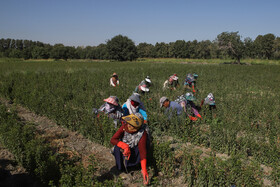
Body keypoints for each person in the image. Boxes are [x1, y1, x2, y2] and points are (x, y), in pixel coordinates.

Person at [110, 113, 149, 185]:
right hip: (125, 147)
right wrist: (124, 146)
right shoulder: (124, 127)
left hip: (135, 150)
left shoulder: (142, 133)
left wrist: (144, 170)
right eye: (129, 124)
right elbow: (113, 140)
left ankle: (133, 165)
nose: (130, 127)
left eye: (133, 126)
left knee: (138, 150)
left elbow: (142, 152)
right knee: (117, 148)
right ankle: (120, 168)